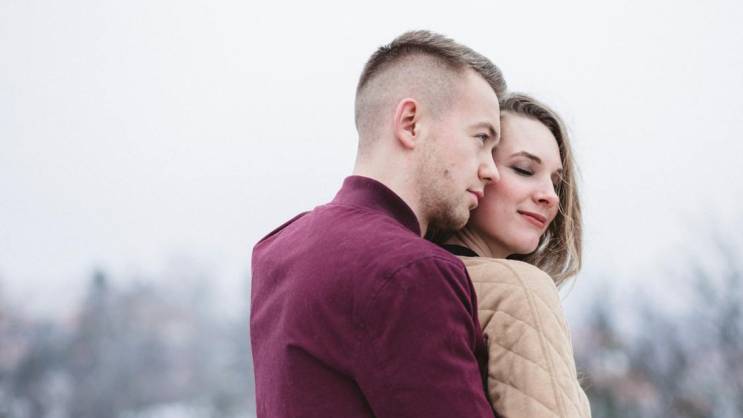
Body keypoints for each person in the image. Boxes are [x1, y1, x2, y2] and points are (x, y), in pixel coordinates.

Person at [250, 30, 506, 418]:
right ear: (410, 123)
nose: (491, 170)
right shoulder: (413, 271)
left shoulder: (276, 248)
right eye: (481, 138)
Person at [442, 93, 591, 417]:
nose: (551, 197)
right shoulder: (521, 289)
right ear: (476, 170)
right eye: (524, 169)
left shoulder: (409, 275)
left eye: (556, 182)